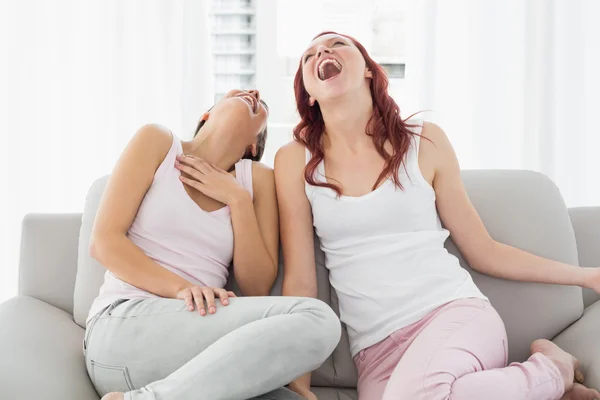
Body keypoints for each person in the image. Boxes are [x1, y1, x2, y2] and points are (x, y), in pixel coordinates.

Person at [274, 32, 600, 400]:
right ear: (309, 93)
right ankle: (543, 390)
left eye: (336, 44)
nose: (323, 52)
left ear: (368, 69)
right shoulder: (294, 161)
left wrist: (587, 276)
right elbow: (301, 282)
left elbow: (484, 251)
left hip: (453, 316)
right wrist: (298, 382)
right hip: (375, 352)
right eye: (309, 56)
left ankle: (552, 370)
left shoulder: (423, 141)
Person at [84, 89, 341, 400]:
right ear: (206, 115)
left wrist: (237, 200)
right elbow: (104, 243)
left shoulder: (256, 180)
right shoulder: (159, 143)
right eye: (237, 93)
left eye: (261, 106)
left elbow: (256, 285)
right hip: (123, 330)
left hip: (199, 360)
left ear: (253, 143)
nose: (253, 92)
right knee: (318, 319)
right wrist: (180, 289)